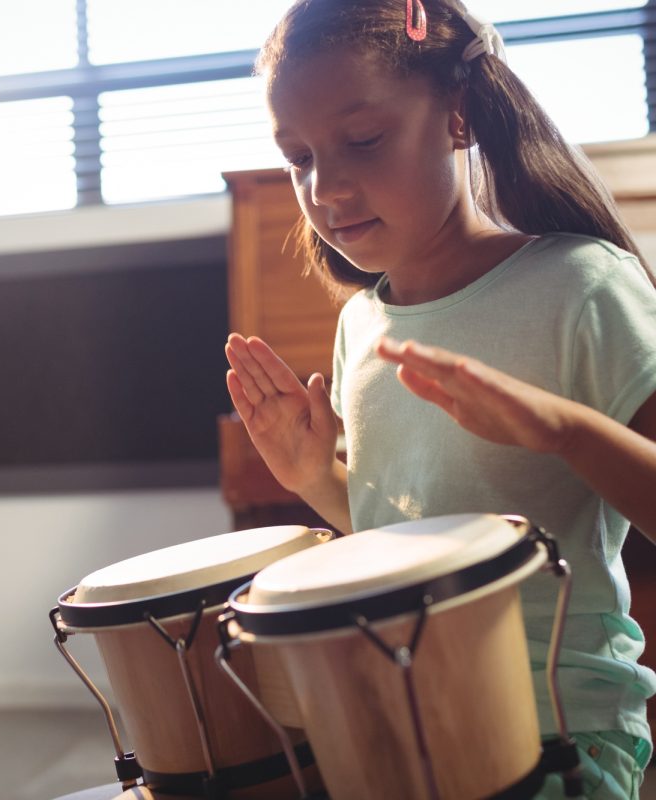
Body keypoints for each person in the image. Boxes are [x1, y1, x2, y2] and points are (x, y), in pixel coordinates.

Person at [224, 0, 656, 797]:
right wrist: (317, 479)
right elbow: (416, 549)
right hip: (402, 720)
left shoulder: (580, 284)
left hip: (556, 735)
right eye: (298, 157)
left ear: (458, 118)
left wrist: (562, 429)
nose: (325, 187)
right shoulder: (361, 323)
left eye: (361, 141)